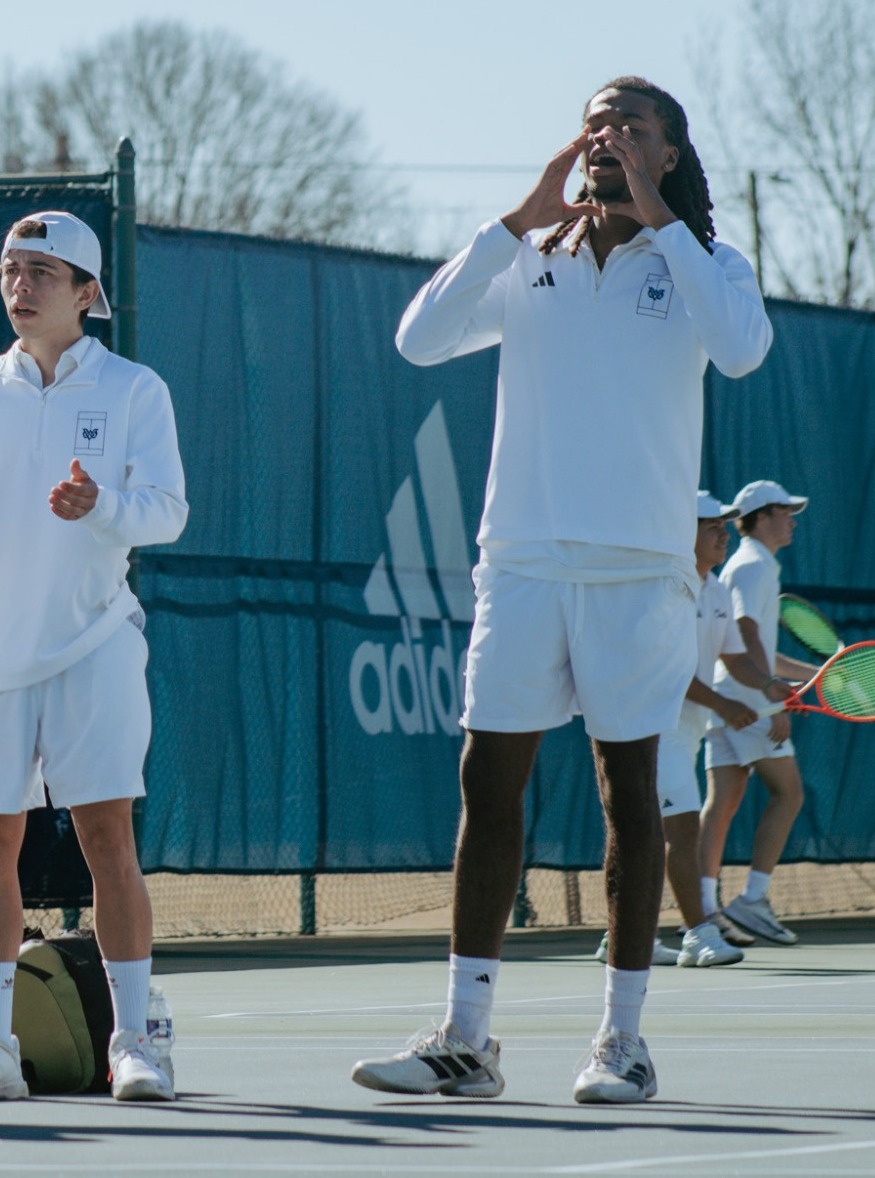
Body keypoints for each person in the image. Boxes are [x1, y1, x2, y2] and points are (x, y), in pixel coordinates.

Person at [349, 78, 772, 1105]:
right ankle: (466, 1037)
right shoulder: (528, 259)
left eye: (633, 126)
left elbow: (745, 350)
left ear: (668, 153)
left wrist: (661, 222)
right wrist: (514, 219)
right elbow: (417, 338)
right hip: (523, 564)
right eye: (598, 123)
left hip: (638, 574)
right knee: (486, 785)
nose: (609, 137)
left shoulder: (706, 263)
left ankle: (622, 1041)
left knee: (629, 795)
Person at [0, 211, 189, 1103]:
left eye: (42, 272)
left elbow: (166, 511)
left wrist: (97, 505)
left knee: (106, 837)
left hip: (92, 644)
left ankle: (133, 1043)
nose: (21, 285)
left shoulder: (134, 391)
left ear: (87, 294)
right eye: (11, 270)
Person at [594, 493, 787, 968]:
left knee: (647, 832)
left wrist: (767, 685)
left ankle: (618, 937)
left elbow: (735, 658)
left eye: (724, 526)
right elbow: (668, 670)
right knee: (678, 831)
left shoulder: (717, 590)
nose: (723, 533)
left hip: (688, 728)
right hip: (651, 729)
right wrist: (725, 703)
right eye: (711, 527)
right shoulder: (663, 591)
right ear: (683, 535)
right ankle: (698, 934)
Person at [700, 480, 816, 946]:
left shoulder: (746, 564)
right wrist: (771, 698)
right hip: (746, 698)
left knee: (722, 804)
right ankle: (752, 899)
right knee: (789, 795)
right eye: (785, 512)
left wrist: (818, 673)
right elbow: (746, 635)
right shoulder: (753, 566)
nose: (791, 520)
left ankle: (705, 911)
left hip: (730, 691)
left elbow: (761, 649)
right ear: (762, 516)